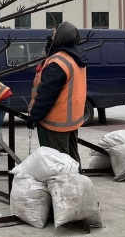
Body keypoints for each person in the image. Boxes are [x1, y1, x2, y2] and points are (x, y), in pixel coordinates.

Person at [27, 22, 88, 166]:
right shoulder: (75, 57)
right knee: (72, 159)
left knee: (58, 164)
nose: (51, 35)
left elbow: (47, 95)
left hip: (56, 122)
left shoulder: (57, 62)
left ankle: (65, 188)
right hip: (71, 119)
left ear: (60, 37)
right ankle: (77, 185)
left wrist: (34, 116)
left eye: (54, 33)